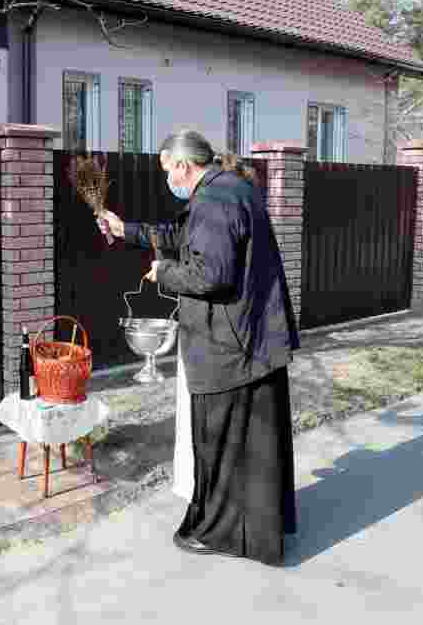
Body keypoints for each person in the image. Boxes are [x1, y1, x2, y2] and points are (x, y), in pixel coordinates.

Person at [97, 130, 301, 566]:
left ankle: (223, 532)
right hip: (252, 337)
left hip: (228, 342)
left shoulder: (214, 200)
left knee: (223, 441)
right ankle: (259, 529)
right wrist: (127, 230)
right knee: (253, 442)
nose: (168, 178)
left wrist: (163, 272)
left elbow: (211, 275)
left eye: (168, 170)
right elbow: (184, 234)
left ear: (183, 166)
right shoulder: (230, 189)